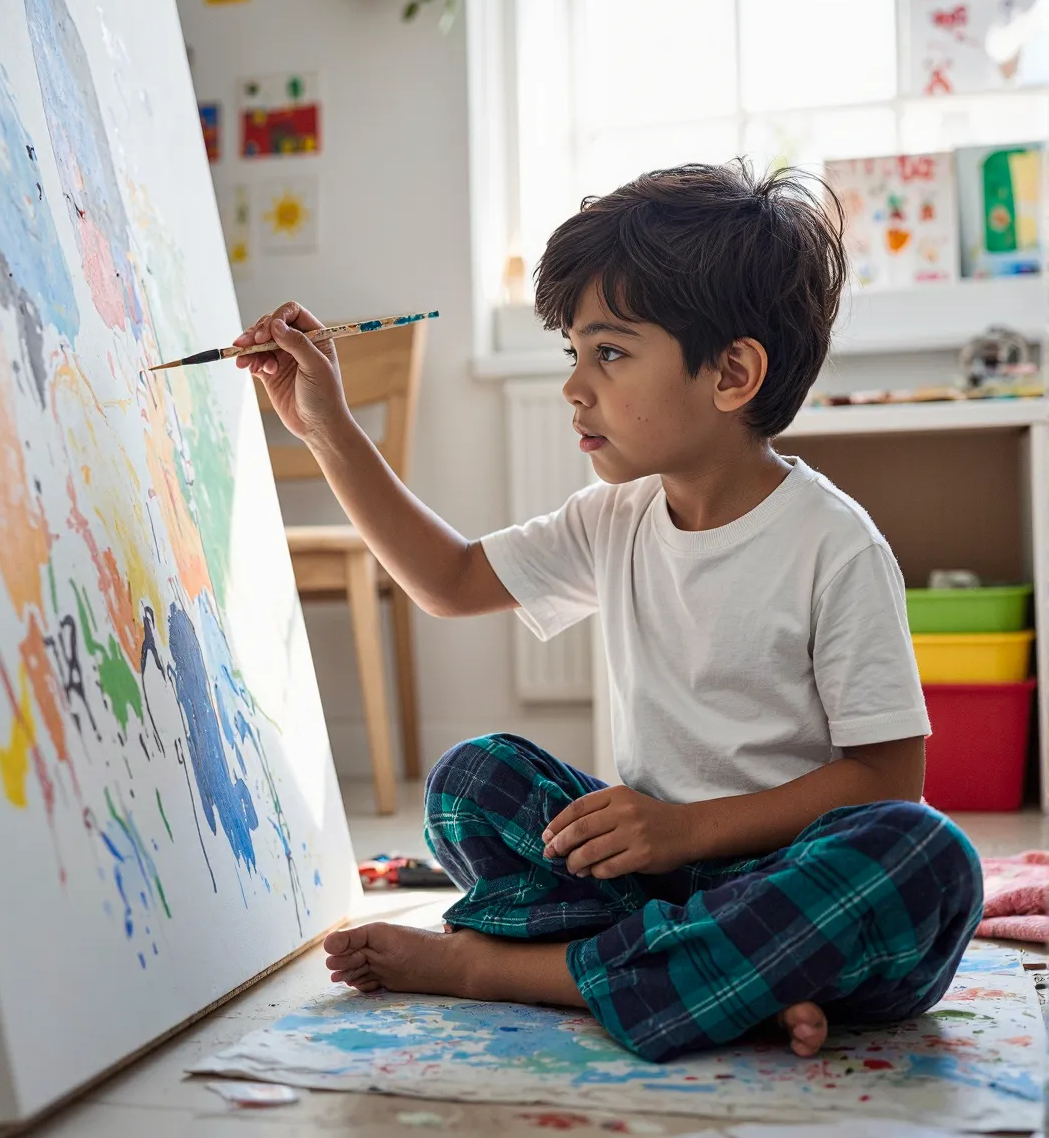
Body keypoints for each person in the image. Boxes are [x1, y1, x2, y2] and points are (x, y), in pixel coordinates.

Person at [234, 161, 982, 1063]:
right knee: (473, 781)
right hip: (654, 887)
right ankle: (746, 983)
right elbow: (449, 582)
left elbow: (889, 780)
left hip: (789, 873)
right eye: (572, 354)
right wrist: (325, 427)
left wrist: (686, 828)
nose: (574, 386)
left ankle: (506, 970)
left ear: (734, 373)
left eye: (611, 353)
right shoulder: (616, 516)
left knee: (924, 857)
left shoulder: (835, 545)